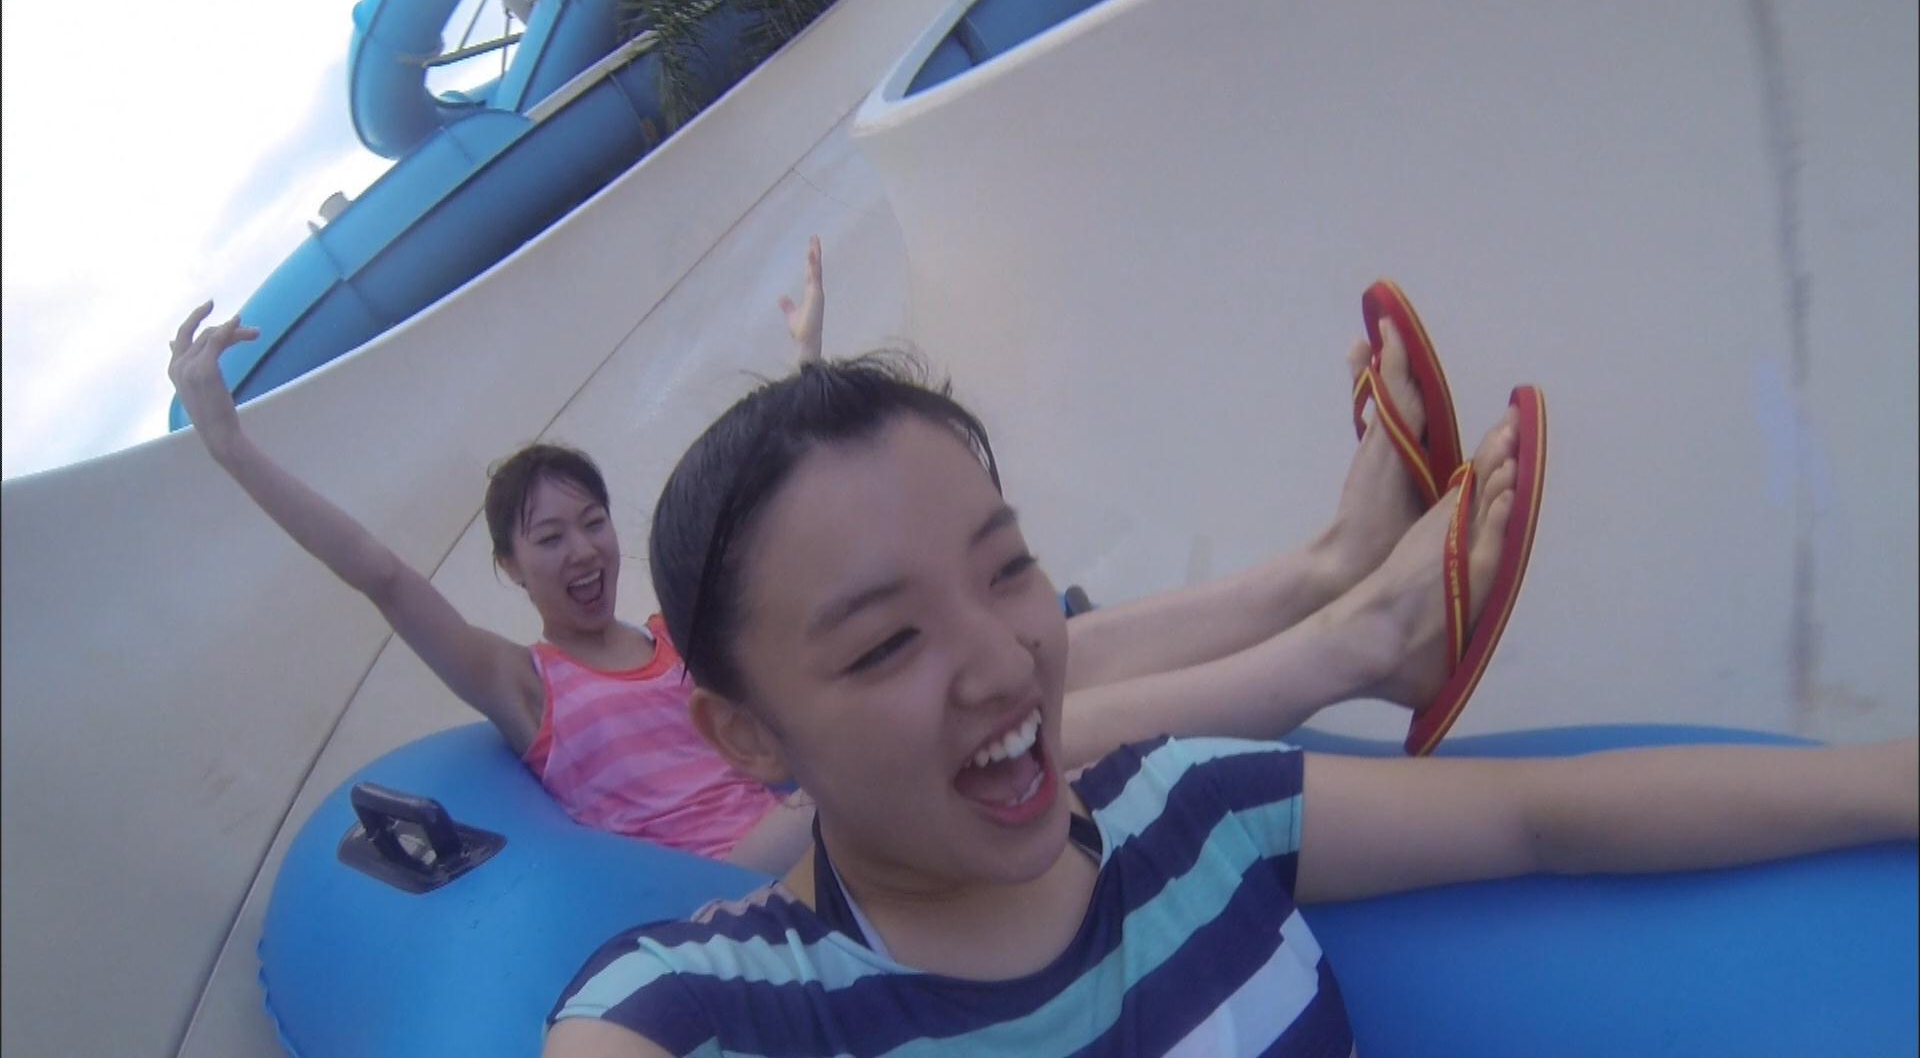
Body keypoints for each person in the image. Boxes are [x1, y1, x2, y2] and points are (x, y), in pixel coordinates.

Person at [542, 351, 1917, 1057]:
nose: (1005, 662)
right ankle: (1363, 616)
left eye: (1009, 570)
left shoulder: (1188, 807)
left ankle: (1353, 594)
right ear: (748, 734)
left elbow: (1538, 816)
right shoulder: (721, 1008)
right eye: (888, 642)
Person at [169, 241, 1496, 873]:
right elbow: (381, 575)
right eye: (547, 537)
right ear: (512, 570)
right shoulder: (528, 687)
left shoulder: (683, 636)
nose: (580, 550)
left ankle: (1333, 563)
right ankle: (1370, 644)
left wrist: (809, 352)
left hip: (818, 772)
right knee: (1037, 715)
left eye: (590, 521)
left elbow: (798, 525)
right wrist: (227, 445)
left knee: (1049, 646)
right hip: (755, 848)